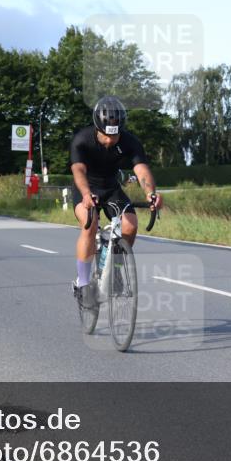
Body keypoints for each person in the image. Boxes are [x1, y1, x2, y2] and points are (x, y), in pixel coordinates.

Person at [70, 96, 161, 307]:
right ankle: (83, 283)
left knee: (130, 225)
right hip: (85, 187)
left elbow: (142, 171)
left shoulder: (130, 142)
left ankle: (116, 272)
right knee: (90, 224)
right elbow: (78, 170)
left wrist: (150, 194)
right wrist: (85, 194)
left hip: (110, 188)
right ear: (97, 128)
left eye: (115, 135)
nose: (110, 141)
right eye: (105, 136)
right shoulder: (82, 140)